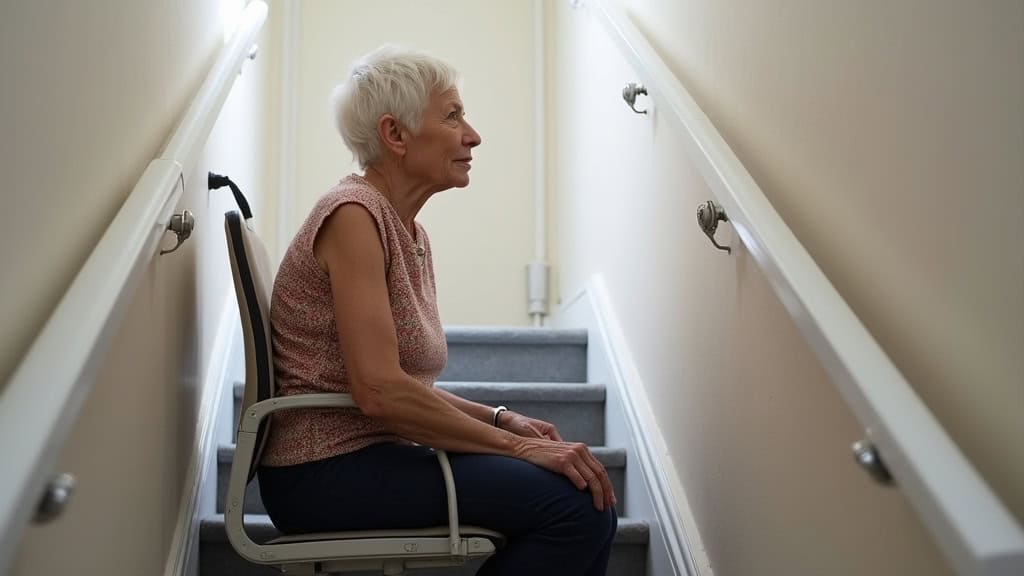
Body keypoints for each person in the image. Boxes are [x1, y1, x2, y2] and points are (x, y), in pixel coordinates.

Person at [257, 45, 617, 576]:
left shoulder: (408, 231)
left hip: (367, 456)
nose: (472, 135)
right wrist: (516, 448)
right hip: (322, 471)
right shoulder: (353, 217)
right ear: (395, 135)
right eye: (452, 116)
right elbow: (379, 391)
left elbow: (403, 387)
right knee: (576, 508)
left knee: (582, 498)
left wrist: (502, 418)